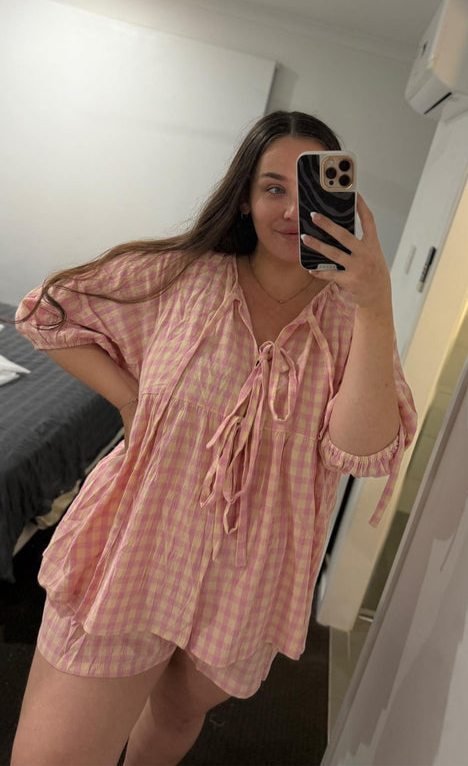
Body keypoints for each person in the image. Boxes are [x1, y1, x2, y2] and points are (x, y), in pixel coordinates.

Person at [11, 110, 416, 766]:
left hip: (250, 576)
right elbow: (45, 311)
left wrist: (375, 303)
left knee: (174, 716)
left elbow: (362, 451)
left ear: (339, 199)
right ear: (245, 197)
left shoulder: (350, 320)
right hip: (137, 547)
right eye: (273, 188)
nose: (292, 210)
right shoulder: (182, 276)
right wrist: (128, 396)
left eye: (308, 189)